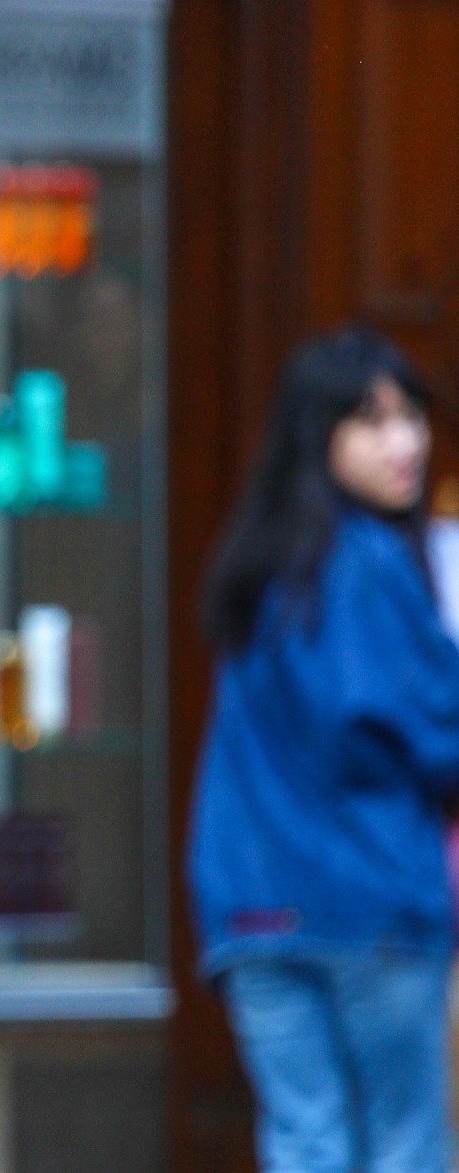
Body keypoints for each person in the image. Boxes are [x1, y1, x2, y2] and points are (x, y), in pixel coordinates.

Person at [190, 327, 459, 1173]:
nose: (405, 441)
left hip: (254, 906)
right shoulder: (372, 563)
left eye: (410, 415)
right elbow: (418, 728)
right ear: (321, 434)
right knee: (405, 1145)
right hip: (372, 900)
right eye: (372, 421)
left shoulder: (262, 563)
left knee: (305, 1142)